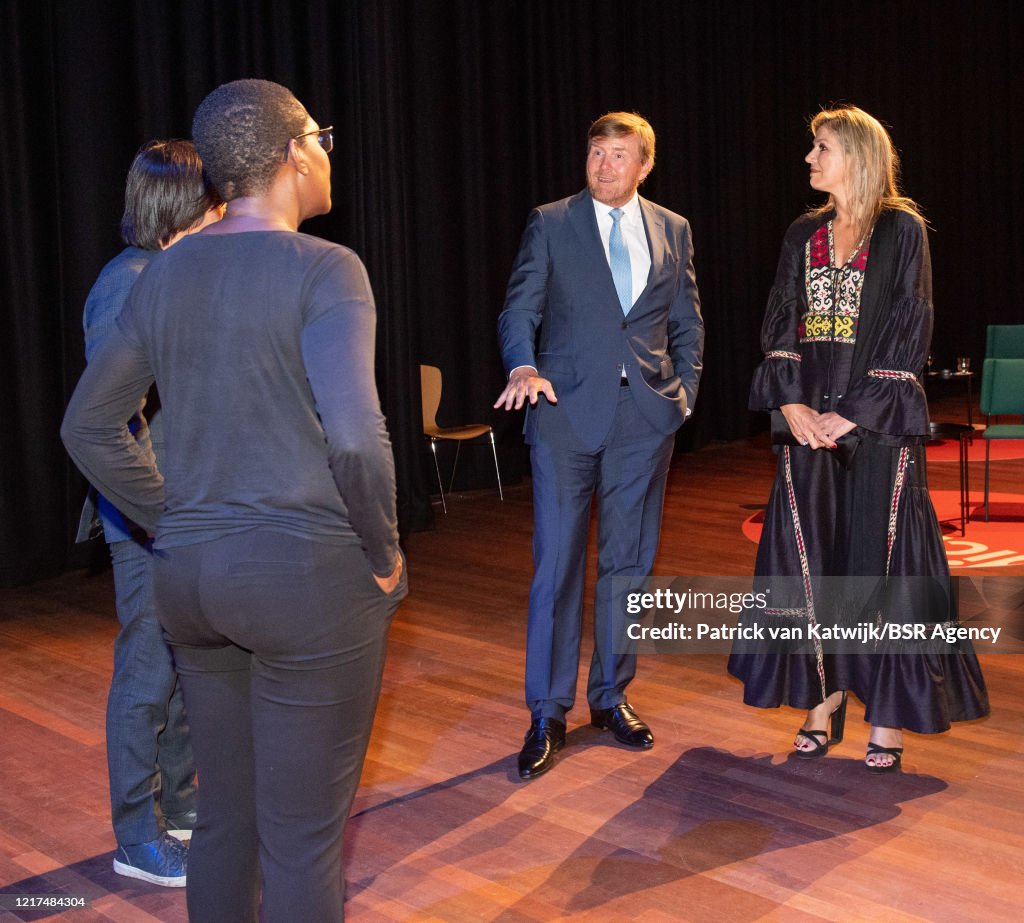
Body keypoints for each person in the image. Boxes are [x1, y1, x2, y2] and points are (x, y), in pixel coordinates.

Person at [62, 78, 405, 921]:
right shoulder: (328, 267)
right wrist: (386, 550)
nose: (328, 151)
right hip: (306, 579)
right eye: (321, 137)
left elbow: (86, 426)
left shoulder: (164, 274)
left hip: (190, 581)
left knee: (224, 823)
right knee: (301, 841)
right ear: (294, 153)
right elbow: (358, 437)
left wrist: (170, 517)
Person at [727, 106, 989, 772]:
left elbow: (910, 323)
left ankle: (891, 712)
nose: (809, 160)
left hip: (876, 429)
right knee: (813, 563)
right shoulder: (801, 234)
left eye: (822, 148)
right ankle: (822, 696)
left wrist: (855, 412)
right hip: (805, 428)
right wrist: (789, 404)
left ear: (859, 156)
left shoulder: (903, 231)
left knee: (883, 563)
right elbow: (779, 321)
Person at [495, 111, 704, 780]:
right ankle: (548, 712)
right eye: (597, 153)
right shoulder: (551, 221)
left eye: (621, 156)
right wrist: (521, 364)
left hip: (644, 418)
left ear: (644, 165)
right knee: (556, 564)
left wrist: (685, 395)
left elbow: (687, 322)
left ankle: (611, 695)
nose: (606, 165)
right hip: (560, 411)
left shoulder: (674, 228)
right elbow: (518, 307)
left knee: (628, 565)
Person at [76, 139, 224, 886]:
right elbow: (106, 422)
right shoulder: (125, 285)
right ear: (181, 208)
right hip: (145, 518)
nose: (225, 211)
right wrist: (163, 516)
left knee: (183, 665)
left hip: (183, 514)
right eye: (213, 201)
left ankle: (183, 803)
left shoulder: (170, 275)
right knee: (145, 671)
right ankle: (136, 836)